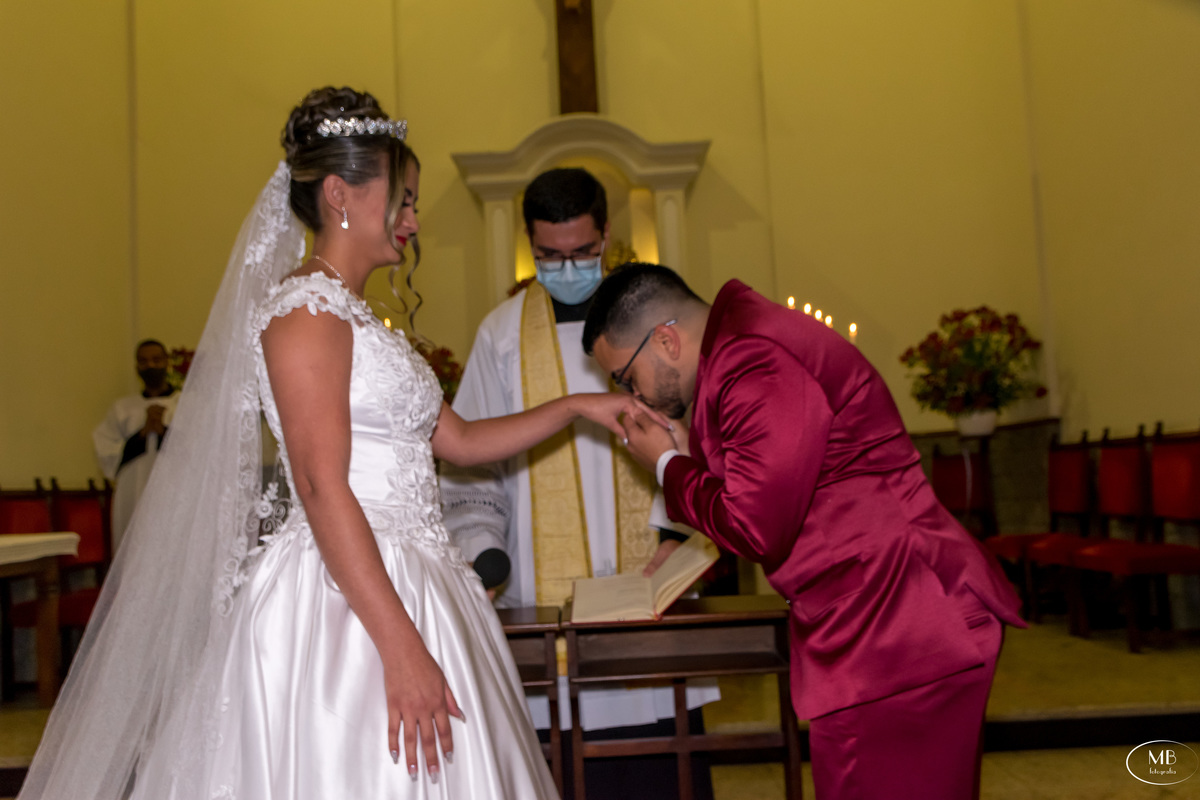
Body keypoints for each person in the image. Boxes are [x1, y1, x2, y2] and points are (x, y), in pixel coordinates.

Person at [20, 87, 659, 800]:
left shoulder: (357, 318)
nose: (414, 220)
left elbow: (464, 439)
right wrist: (401, 648)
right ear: (340, 194)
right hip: (344, 601)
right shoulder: (305, 316)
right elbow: (323, 487)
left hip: (415, 573)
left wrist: (579, 406)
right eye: (405, 198)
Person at [583, 263, 1027, 800]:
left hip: (904, 627)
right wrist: (686, 450)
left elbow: (755, 527)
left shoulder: (752, 361)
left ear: (667, 339)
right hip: (879, 621)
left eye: (629, 378)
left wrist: (666, 467)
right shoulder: (740, 346)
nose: (639, 397)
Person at [438, 168, 717, 798]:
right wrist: (485, 558)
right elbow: (471, 460)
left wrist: (679, 533)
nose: (567, 267)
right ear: (529, 244)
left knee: (660, 767)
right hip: (541, 601)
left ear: (606, 236)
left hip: (652, 583)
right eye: (549, 256)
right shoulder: (501, 334)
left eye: (582, 254)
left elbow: (699, 428)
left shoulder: (656, 322)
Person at [92, 339, 180, 551]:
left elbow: (200, 447)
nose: (150, 366)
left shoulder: (186, 402)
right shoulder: (122, 408)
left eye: (156, 360)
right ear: (137, 367)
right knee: (134, 546)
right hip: (133, 490)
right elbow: (106, 448)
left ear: (167, 362)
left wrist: (164, 433)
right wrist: (142, 434)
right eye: (143, 361)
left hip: (175, 489)